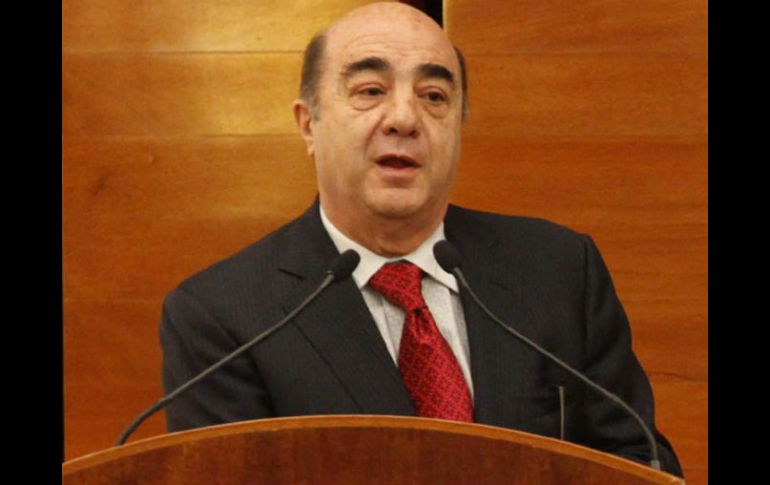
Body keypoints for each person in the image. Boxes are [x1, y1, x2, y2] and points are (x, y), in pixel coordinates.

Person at [160, 2, 682, 476]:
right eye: (370, 91)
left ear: (459, 124)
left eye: (434, 97)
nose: (405, 119)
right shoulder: (222, 317)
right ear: (308, 124)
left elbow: (639, 459)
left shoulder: (559, 269)